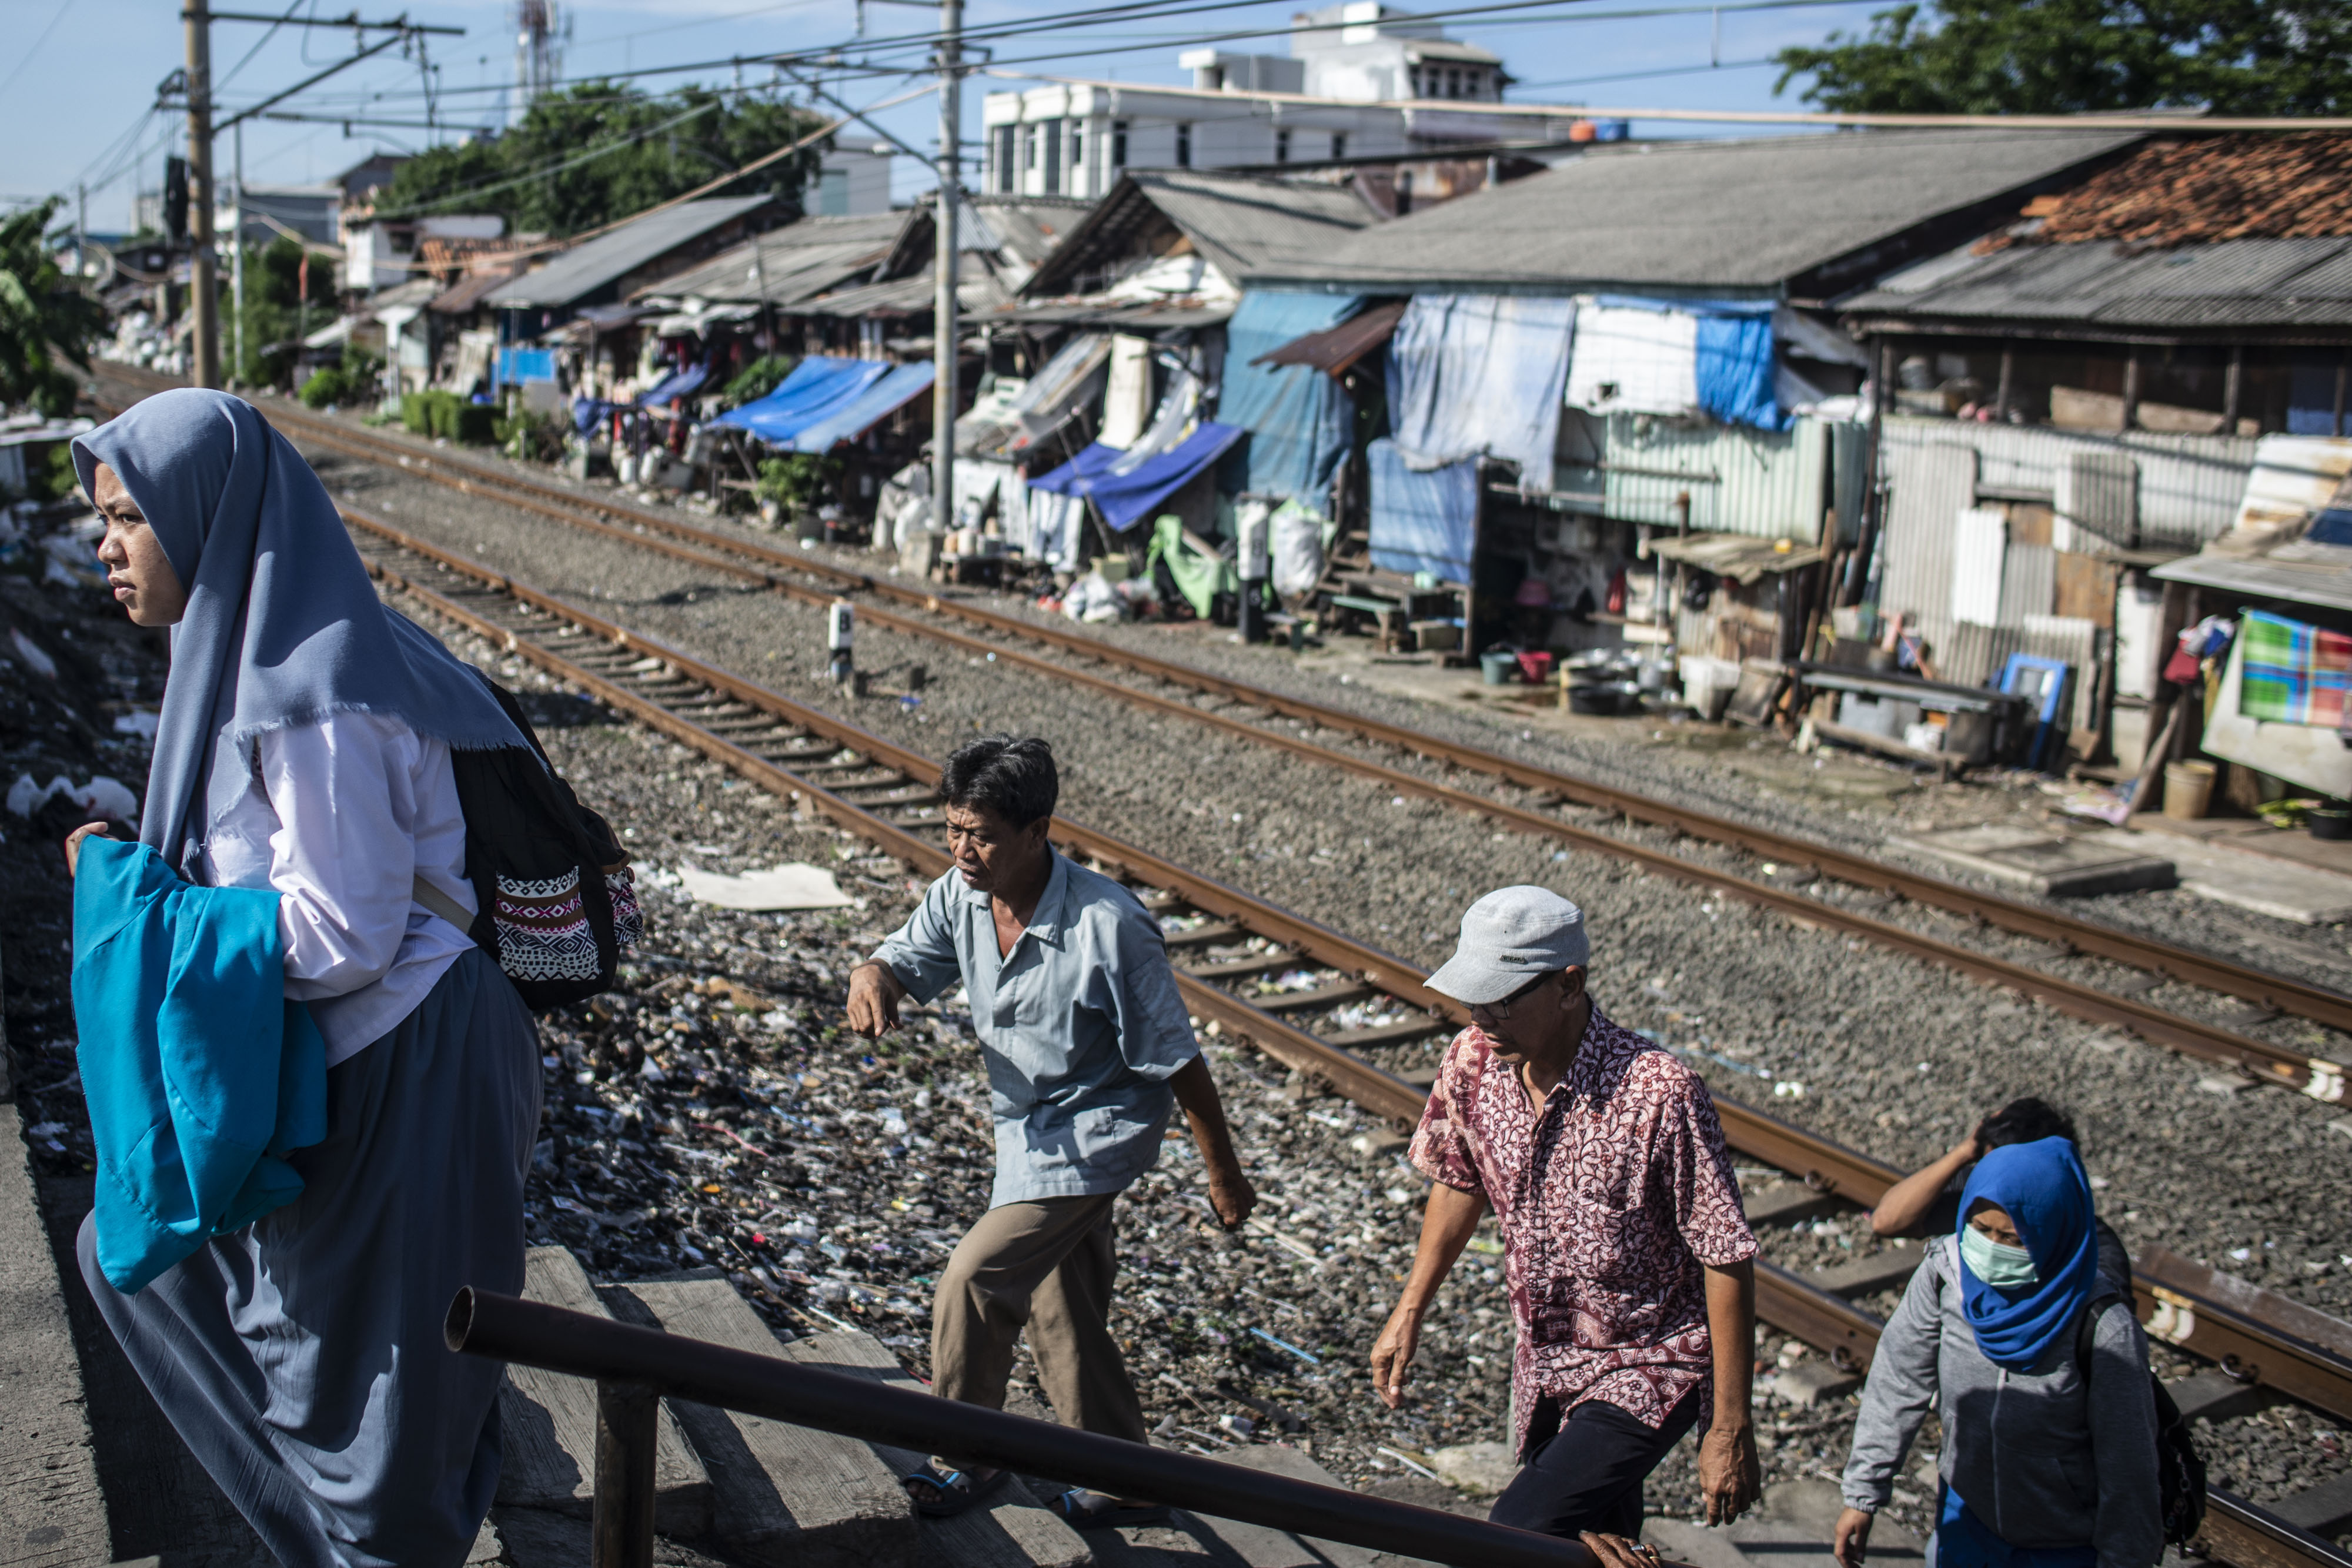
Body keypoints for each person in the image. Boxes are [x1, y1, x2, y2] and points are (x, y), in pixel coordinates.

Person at [64, 389, 544, 1566]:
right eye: (100, 519)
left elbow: (343, 929)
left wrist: (146, 907)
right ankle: (334, 1545)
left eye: (129, 516)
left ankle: (362, 1548)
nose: (103, 544)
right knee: (153, 1264)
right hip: (349, 1057)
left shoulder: (310, 689)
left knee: (381, 1411)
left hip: (407, 1059)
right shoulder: (242, 654)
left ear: (208, 519)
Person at [844, 734, 1256, 1528]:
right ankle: (1123, 1468)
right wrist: (872, 975)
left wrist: (1223, 1173)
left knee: (976, 1277)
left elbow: (1178, 1058)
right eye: (955, 827)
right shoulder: (962, 890)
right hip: (1025, 1127)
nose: (964, 848)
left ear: (1037, 831)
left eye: (984, 833)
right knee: (1063, 1306)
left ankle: (965, 1451)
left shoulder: (1111, 925)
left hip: (1097, 1130)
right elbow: (902, 956)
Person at [1370, 887, 1762, 1559]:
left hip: (1651, 1359)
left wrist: (1727, 1427)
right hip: (1548, 1359)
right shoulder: (1473, 1061)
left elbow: (1724, 1253)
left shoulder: (1659, 1093)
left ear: (1568, 985)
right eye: (1475, 999)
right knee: (1593, 1542)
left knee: (1515, 1534)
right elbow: (1459, 1177)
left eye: (1502, 1000)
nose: (1482, 1017)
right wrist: (1409, 1308)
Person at [1835, 1137, 2161, 1568]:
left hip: (2064, 1546)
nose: (1990, 1248)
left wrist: (2124, 1559)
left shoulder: (2104, 1326)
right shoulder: (1945, 1275)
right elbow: (1899, 1377)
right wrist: (1863, 1491)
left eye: (2011, 1237)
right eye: (1981, 1228)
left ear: (2052, 1235)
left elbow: (2129, 1464)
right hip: (1965, 1517)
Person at [1869, 1098, 2129, 1292]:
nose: (1992, 1184)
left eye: (2011, 1238)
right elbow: (1886, 1221)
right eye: (1986, 1166)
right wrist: (1963, 1152)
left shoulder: (2095, 1246)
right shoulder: (1973, 1194)